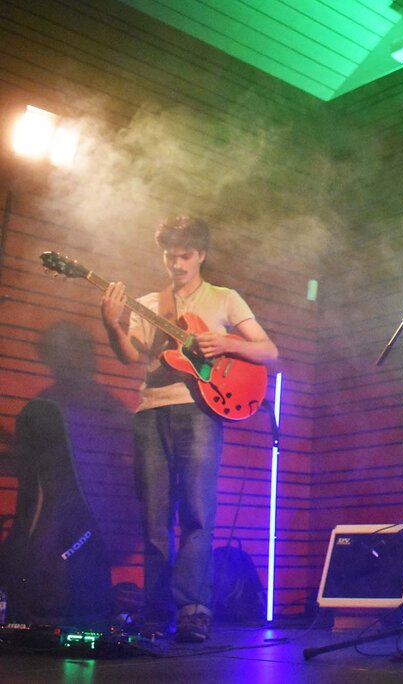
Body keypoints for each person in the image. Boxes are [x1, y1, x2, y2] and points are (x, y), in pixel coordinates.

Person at [100, 216, 278, 642]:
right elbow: (129, 355)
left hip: (200, 411)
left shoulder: (224, 298)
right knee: (155, 518)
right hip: (151, 412)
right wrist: (112, 324)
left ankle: (194, 610)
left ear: (201, 255)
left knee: (198, 514)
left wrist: (227, 342)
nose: (177, 264)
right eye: (170, 256)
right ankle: (156, 611)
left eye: (185, 255)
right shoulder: (150, 302)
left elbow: (269, 351)